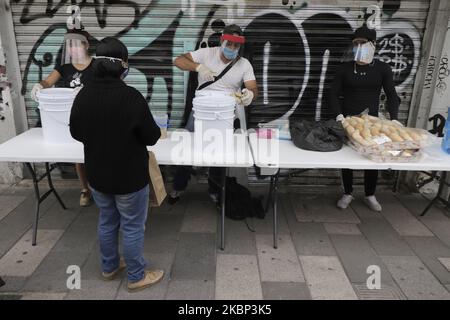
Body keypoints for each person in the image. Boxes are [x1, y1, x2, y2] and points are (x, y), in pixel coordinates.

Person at [69, 37, 163, 292]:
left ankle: (109, 267)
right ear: (122, 65)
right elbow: (151, 136)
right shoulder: (131, 97)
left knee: (107, 220)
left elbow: (76, 132)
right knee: (132, 225)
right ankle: (136, 276)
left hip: (97, 175)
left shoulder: (83, 94)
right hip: (129, 178)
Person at [169, 24, 258, 204]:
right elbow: (178, 61)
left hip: (226, 112)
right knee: (187, 147)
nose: (232, 49)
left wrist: (249, 95)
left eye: (236, 46)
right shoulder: (207, 53)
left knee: (220, 153)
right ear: (221, 40)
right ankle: (178, 187)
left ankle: (215, 189)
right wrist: (199, 67)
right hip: (201, 109)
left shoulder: (243, 64)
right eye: (229, 44)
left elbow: (253, 88)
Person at [330, 24, 400, 212]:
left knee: (373, 158)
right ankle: (348, 192)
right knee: (347, 159)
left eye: (362, 42)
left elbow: (392, 95)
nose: (358, 46)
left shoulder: (382, 69)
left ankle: (370, 194)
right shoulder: (344, 69)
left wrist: (394, 119)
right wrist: (339, 116)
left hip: (372, 123)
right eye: (355, 43)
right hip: (348, 121)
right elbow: (332, 94)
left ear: (373, 44)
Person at [30, 28, 95, 207]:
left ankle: (101, 188)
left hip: (95, 117)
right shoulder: (64, 68)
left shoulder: (97, 66)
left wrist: (88, 91)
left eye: (76, 45)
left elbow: (111, 85)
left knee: (97, 155)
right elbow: (48, 82)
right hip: (70, 120)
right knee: (77, 156)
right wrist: (39, 86)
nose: (72, 49)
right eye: (69, 46)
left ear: (86, 45)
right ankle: (85, 189)